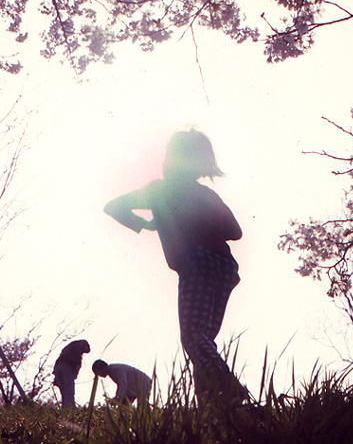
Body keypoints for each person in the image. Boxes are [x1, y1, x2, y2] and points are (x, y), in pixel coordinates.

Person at [104, 129, 247, 408]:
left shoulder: (160, 190)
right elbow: (235, 231)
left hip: (196, 263)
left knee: (193, 338)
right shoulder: (207, 195)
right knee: (204, 341)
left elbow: (113, 206)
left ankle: (230, 389)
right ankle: (212, 404)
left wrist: (146, 223)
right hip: (225, 268)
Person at [53, 339, 90, 408]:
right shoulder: (80, 345)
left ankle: (64, 408)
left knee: (64, 392)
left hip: (57, 367)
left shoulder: (68, 347)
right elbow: (78, 359)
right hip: (67, 366)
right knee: (69, 390)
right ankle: (70, 408)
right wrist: (76, 370)